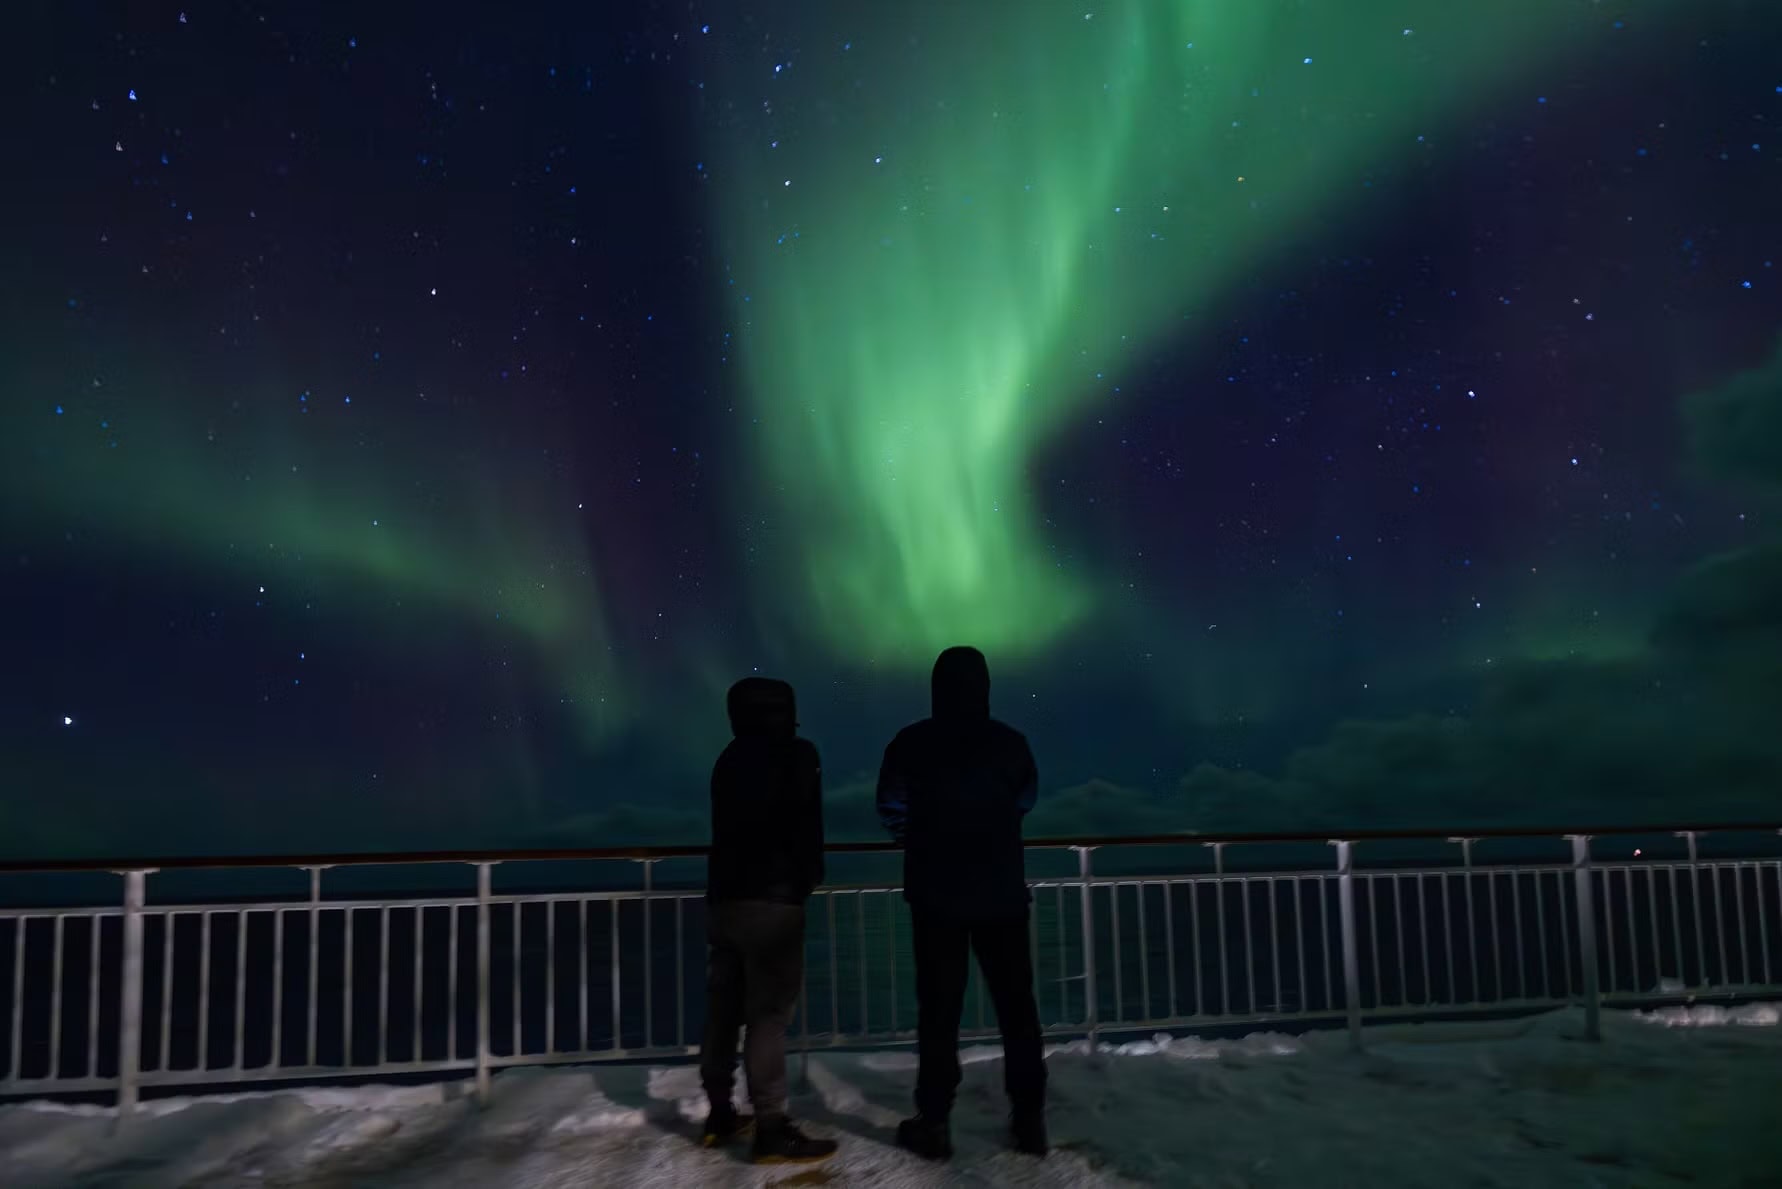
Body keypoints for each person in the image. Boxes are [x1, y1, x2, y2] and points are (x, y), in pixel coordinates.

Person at [877, 646, 1047, 1160]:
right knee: (1018, 1011)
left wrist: (922, 839)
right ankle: (1030, 1122)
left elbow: (890, 805)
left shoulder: (912, 742)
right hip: (1001, 894)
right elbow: (1025, 799)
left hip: (937, 896)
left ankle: (934, 1121)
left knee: (939, 1013)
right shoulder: (1010, 743)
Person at [698, 676, 838, 1164]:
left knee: (723, 1010)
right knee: (768, 1017)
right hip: (774, 904)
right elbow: (807, 825)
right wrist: (806, 881)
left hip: (724, 901)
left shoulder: (728, 759)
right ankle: (772, 1127)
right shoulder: (798, 755)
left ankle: (719, 1111)